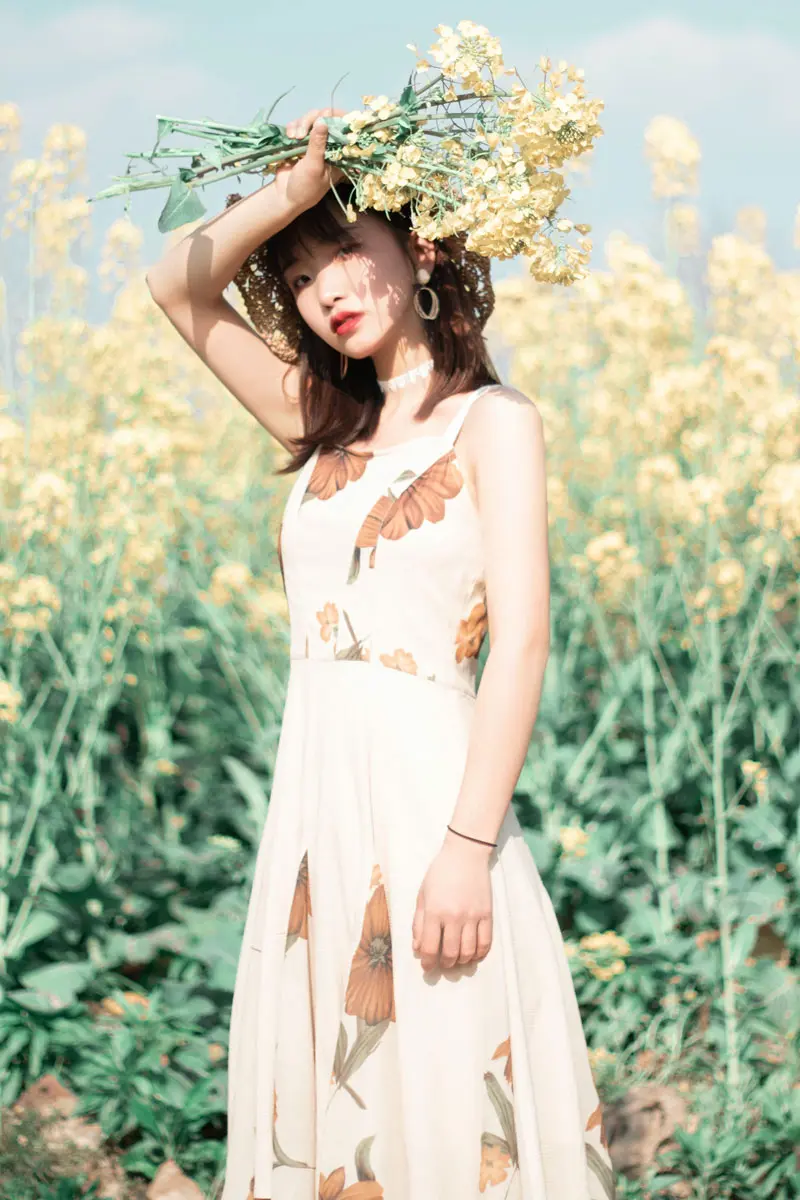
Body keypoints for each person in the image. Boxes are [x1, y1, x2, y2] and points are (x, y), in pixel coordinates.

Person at [146, 108, 615, 1200]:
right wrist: (294, 194)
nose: (327, 289)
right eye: (302, 276)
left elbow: (523, 640)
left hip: (433, 802)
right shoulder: (316, 417)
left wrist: (466, 844)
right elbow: (174, 287)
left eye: (348, 249)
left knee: (450, 1077)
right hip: (317, 808)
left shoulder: (492, 421)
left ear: (422, 249)